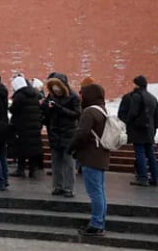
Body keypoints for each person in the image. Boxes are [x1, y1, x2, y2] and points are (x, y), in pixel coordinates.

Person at [72, 82, 111, 236]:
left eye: (83, 94)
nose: (81, 97)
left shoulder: (89, 112)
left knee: (95, 192)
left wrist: (71, 148)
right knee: (100, 191)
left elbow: (81, 133)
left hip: (91, 156)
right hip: (100, 155)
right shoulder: (102, 109)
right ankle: (99, 222)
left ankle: (96, 224)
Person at [42, 73, 81, 197]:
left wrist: (58, 108)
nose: (56, 91)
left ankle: (69, 188)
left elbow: (76, 114)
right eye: (53, 88)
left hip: (68, 133)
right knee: (56, 161)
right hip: (55, 132)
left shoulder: (73, 96)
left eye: (57, 88)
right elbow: (46, 113)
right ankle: (57, 186)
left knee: (68, 162)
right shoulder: (51, 96)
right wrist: (46, 107)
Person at [117, 75, 158, 186]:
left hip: (138, 130)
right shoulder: (152, 98)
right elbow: (156, 117)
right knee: (150, 154)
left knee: (140, 153)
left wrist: (128, 122)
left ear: (136, 84)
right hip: (149, 131)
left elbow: (133, 113)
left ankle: (143, 177)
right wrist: (153, 130)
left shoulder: (136, 96)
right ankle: (155, 177)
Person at [9, 75, 45, 178]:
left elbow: (14, 109)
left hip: (22, 126)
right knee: (33, 149)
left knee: (22, 149)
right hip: (34, 126)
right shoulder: (34, 94)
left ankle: (20, 170)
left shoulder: (19, 95)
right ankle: (32, 170)